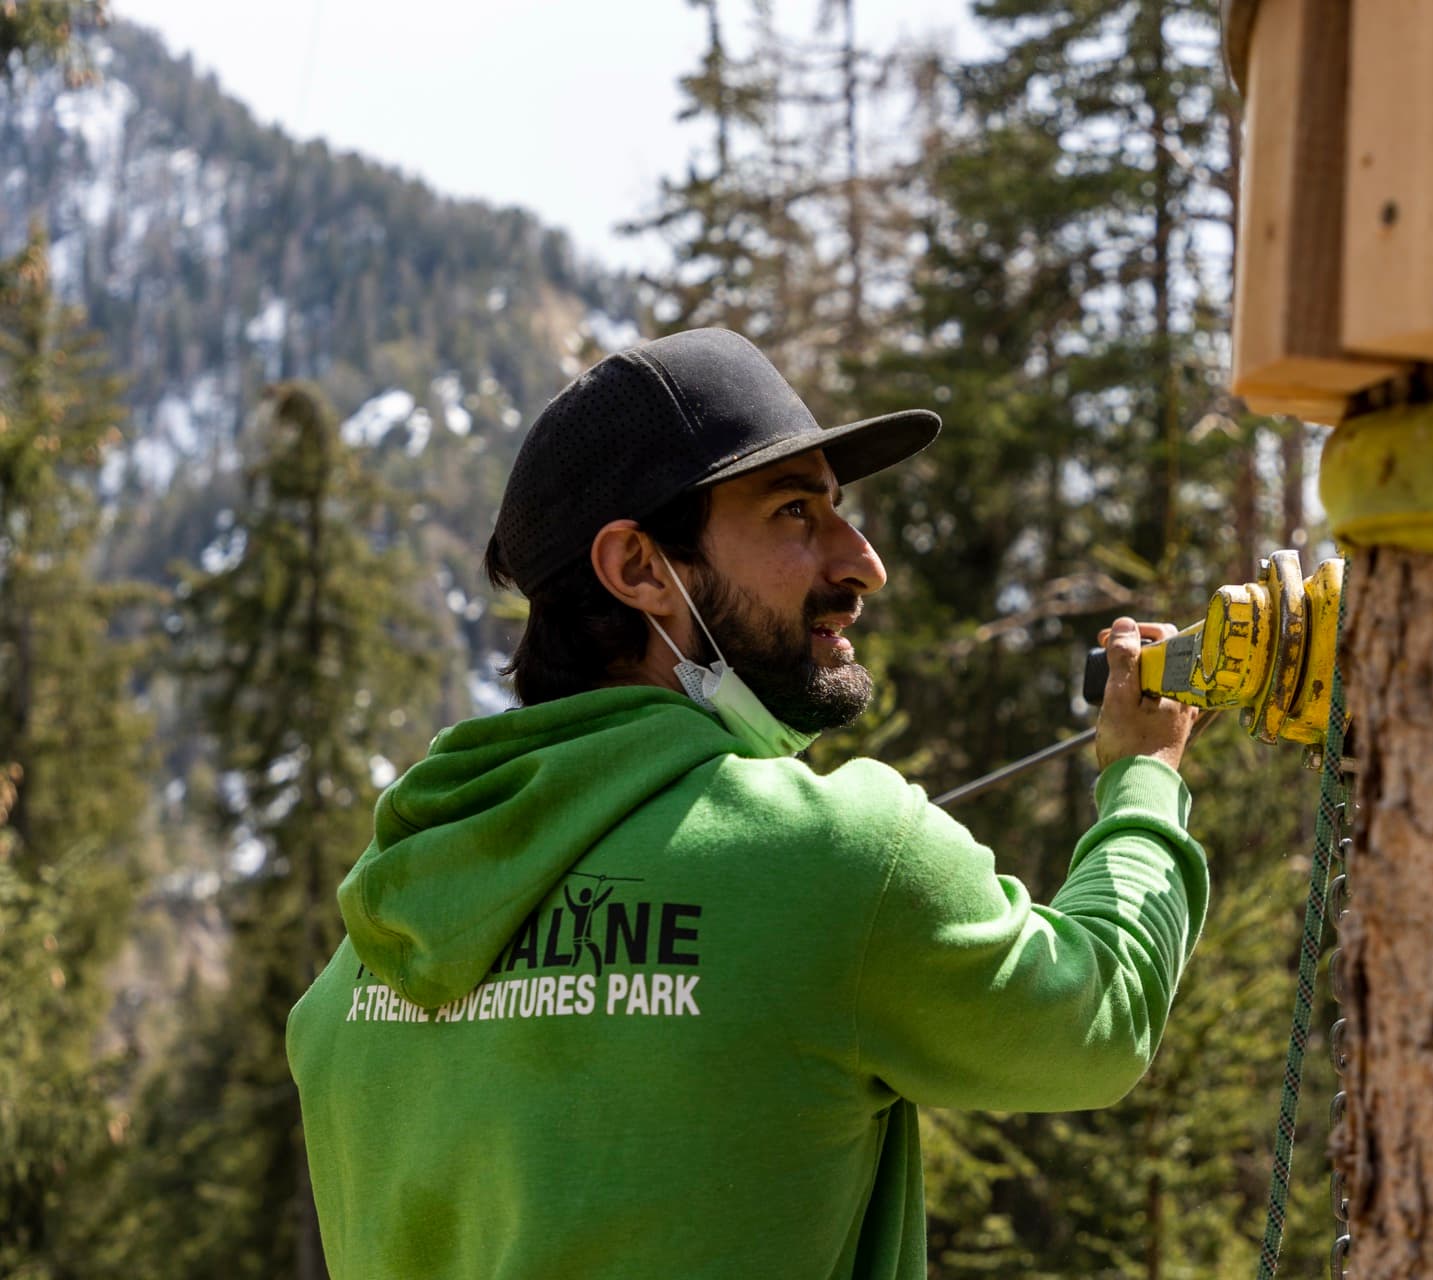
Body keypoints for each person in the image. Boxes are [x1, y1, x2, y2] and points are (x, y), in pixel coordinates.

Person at [287, 327, 1207, 1278]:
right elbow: (1101, 1014)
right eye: (795, 512)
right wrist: (1144, 774)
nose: (864, 563)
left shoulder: (357, 966)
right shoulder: (839, 860)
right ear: (640, 568)